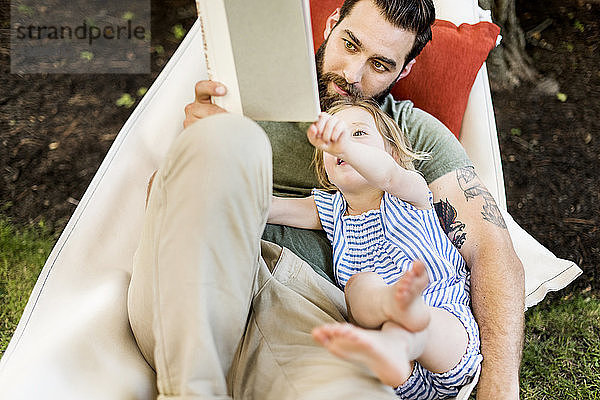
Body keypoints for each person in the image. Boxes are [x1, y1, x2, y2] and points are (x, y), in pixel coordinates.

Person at [128, 0, 525, 398]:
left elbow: (490, 246)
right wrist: (202, 146)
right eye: (350, 44)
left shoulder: (408, 135)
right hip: (201, 282)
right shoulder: (245, 96)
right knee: (230, 142)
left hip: (307, 328)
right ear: (332, 24)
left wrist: (500, 390)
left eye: (380, 65)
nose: (352, 75)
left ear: (403, 71)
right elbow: (165, 202)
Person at [268, 99, 482, 399]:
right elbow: (272, 208)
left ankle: (402, 324)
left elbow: (387, 175)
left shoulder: (411, 192)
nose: (343, 142)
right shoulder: (333, 212)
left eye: (358, 133)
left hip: (445, 328)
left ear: (391, 153)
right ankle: (392, 321)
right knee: (360, 284)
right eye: (333, 142)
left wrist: (343, 147)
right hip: (397, 375)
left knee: (426, 323)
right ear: (326, 170)